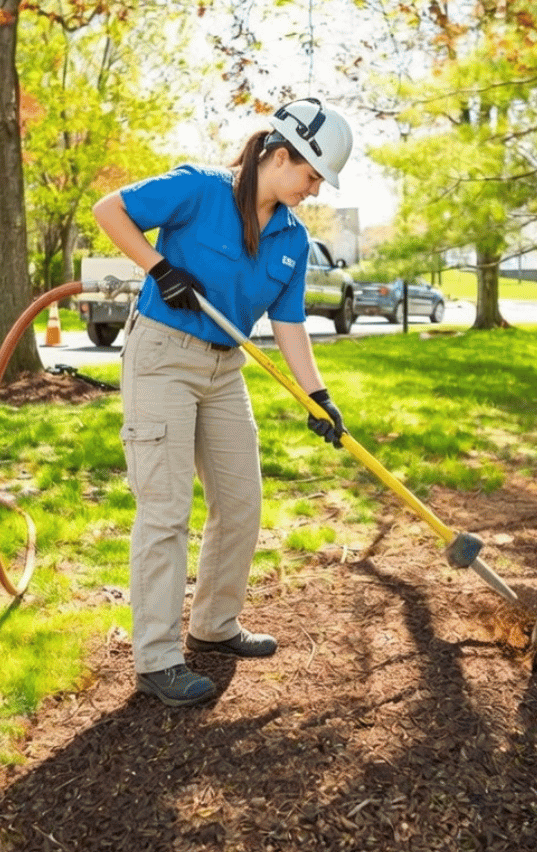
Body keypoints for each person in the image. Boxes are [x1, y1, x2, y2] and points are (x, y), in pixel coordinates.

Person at [91, 97, 354, 707]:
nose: (314, 189)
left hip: (224, 367)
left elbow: (290, 324)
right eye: (311, 174)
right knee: (166, 508)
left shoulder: (292, 238)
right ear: (279, 155)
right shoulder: (200, 189)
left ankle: (213, 623)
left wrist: (317, 396)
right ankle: (157, 659)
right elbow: (110, 210)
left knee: (240, 502)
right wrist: (159, 268)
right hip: (163, 355)